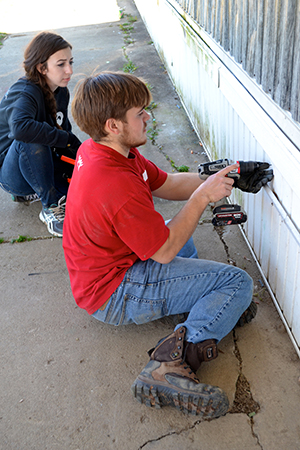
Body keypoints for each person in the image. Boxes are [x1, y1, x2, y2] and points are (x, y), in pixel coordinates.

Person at [63, 72, 272, 419]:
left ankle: (198, 310)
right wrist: (204, 196)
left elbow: (169, 183)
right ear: (114, 124)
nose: (148, 117)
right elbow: (163, 252)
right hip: (113, 292)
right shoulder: (113, 182)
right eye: (140, 113)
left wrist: (224, 179)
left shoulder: (109, 149)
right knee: (237, 284)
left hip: (113, 268)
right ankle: (167, 368)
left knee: (177, 233)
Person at [0, 32, 81, 237]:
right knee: (30, 135)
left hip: (42, 162)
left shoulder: (60, 90)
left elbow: (62, 132)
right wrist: (67, 140)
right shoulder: (25, 92)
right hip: (12, 174)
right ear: (41, 68)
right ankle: (50, 208)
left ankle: (41, 190)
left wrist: (82, 156)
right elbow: (21, 129)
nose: (69, 70)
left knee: (86, 190)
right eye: (61, 64)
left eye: (70, 62)